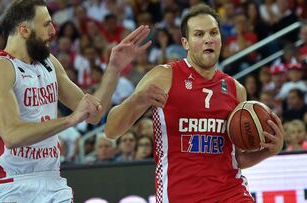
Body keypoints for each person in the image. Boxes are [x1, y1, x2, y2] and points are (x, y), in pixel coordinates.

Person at [0, 1, 151, 202]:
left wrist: (114, 69)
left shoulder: (48, 62)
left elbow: (93, 113)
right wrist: (71, 120)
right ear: (24, 30)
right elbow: (12, 136)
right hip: (9, 185)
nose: (53, 31)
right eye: (46, 24)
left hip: (52, 181)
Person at [105, 4, 285, 202]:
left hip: (230, 191)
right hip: (179, 195)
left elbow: (236, 159)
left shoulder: (236, 89)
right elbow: (111, 131)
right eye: (199, 34)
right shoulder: (164, 76)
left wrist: (268, 152)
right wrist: (135, 100)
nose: (208, 39)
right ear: (185, 43)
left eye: (213, 33)